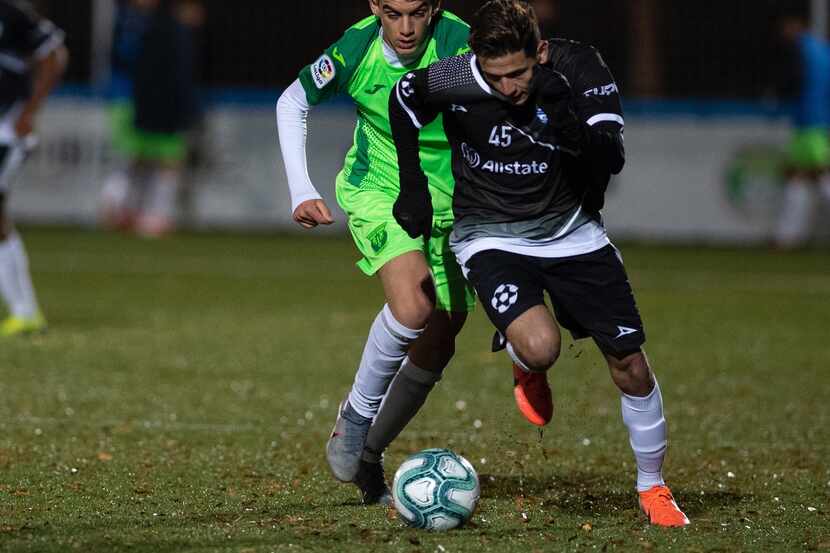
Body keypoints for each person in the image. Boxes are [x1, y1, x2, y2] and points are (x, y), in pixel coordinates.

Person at [390, 0, 689, 527]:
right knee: (542, 346)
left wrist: (563, 115)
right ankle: (526, 363)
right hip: (488, 236)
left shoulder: (578, 68)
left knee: (631, 366)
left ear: (541, 52)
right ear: (476, 60)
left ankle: (653, 487)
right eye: (496, 76)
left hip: (572, 233)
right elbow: (404, 99)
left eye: (521, 73)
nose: (509, 87)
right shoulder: (456, 76)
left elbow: (610, 158)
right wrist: (412, 185)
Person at [276, 0, 473, 505]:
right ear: (374, 7)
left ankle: (369, 454)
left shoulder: (460, 43)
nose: (405, 28)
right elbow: (292, 102)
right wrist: (301, 188)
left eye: (417, 13)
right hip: (380, 191)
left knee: (440, 340)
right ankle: (356, 418)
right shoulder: (356, 47)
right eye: (392, 13)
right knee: (413, 307)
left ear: (435, 8)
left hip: (452, 205)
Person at [0, 0, 67, 337]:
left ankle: (25, 312)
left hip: (6, 129)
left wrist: (30, 111)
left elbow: (54, 55)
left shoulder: (11, 14)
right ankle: (25, 312)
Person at [774, 12, 830, 248]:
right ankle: (787, 237)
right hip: (817, 121)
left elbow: (792, 81)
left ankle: (787, 237)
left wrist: (777, 93)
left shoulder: (802, 50)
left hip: (810, 122)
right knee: (798, 176)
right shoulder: (822, 50)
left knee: (820, 174)